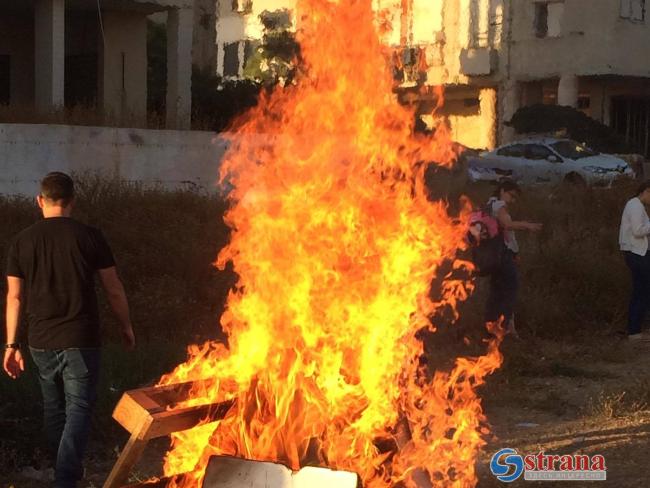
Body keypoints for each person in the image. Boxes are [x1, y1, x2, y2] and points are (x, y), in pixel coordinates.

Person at [3, 172, 136, 488]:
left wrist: (11, 345)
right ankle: (66, 478)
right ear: (72, 201)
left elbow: (15, 296)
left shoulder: (22, 241)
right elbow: (113, 288)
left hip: (40, 342)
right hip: (81, 340)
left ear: (40, 201)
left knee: (55, 409)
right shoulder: (90, 236)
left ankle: (64, 474)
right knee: (78, 410)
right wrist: (126, 326)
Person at [485, 180, 543, 336]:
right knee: (510, 290)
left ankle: (492, 327)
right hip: (504, 255)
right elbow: (507, 225)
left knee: (496, 291)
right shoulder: (498, 205)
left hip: (494, 256)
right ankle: (506, 328)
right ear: (502, 190)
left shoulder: (489, 204)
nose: (512, 200)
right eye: (511, 195)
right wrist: (527, 225)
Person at [619, 180, 650, 340]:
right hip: (636, 252)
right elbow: (638, 231)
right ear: (646, 191)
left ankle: (636, 328)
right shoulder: (635, 205)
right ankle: (634, 330)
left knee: (642, 289)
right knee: (641, 290)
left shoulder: (636, 205)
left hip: (638, 251)